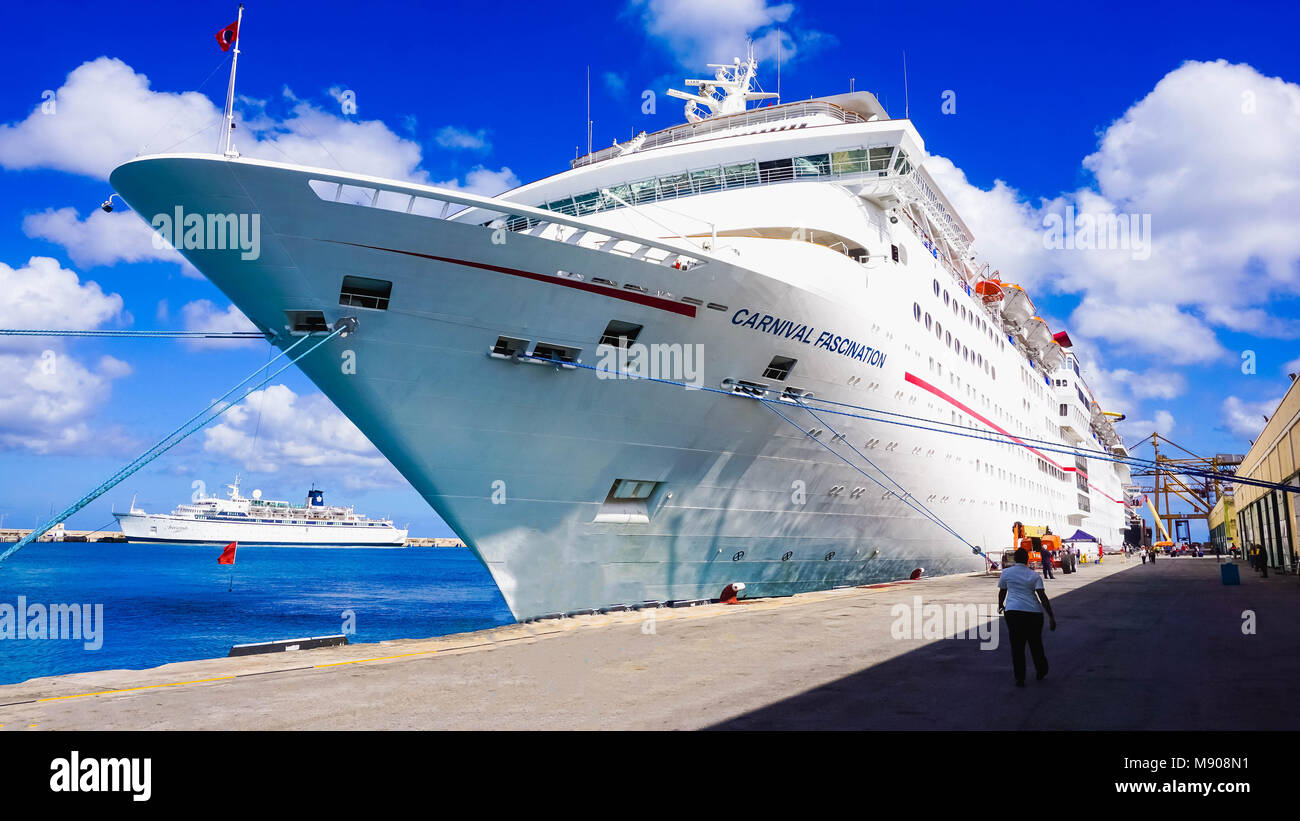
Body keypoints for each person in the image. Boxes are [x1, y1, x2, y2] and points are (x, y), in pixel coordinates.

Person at [998, 548, 1056, 687]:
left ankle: (1020, 677)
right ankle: (1041, 670)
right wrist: (1051, 617)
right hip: (1033, 614)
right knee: (1035, 644)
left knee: (1017, 647)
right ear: (1027, 559)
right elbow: (1042, 597)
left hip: (1013, 613)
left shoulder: (1006, 573)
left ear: (1015, 559)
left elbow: (1002, 592)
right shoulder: (1034, 575)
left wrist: (1000, 605)